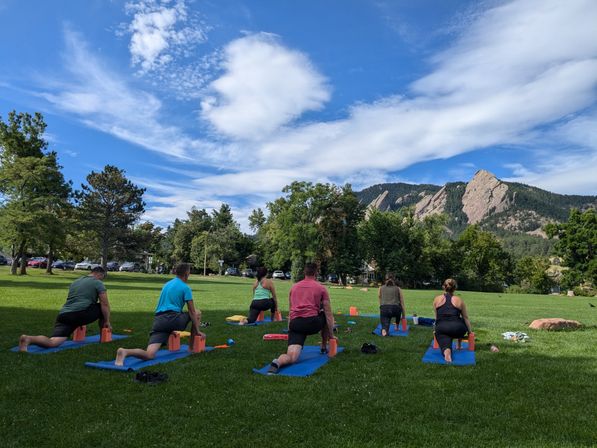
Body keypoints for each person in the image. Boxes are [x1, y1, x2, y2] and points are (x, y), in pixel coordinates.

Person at [115, 263, 203, 366]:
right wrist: (197, 330)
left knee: (150, 354)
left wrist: (171, 329)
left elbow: (167, 307)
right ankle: (191, 348)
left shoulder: (167, 285)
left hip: (159, 322)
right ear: (187, 273)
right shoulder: (185, 287)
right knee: (197, 312)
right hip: (173, 319)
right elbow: (192, 311)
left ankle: (125, 351)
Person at [18, 266, 112, 352]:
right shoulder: (97, 282)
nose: (101, 280)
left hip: (64, 315)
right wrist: (107, 321)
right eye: (102, 278)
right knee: (102, 307)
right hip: (80, 314)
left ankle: (29, 339)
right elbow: (105, 304)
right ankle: (103, 339)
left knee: (53, 342)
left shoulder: (76, 282)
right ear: (99, 274)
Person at [267, 263, 336, 374]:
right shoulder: (321, 288)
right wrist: (331, 337)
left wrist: (290, 329)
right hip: (312, 323)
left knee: (292, 357)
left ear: (304, 272)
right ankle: (323, 346)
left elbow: (291, 311)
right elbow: (328, 314)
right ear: (316, 273)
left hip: (296, 324)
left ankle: (277, 362)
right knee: (324, 314)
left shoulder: (294, 287)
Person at [433, 278, 472, 363]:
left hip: (442, 328)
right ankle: (458, 345)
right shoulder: (459, 300)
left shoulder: (436, 299)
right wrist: (470, 332)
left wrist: (436, 331)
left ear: (443, 287)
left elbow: (437, 318)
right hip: (457, 329)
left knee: (444, 342)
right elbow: (466, 318)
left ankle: (447, 351)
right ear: (455, 288)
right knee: (461, 320)